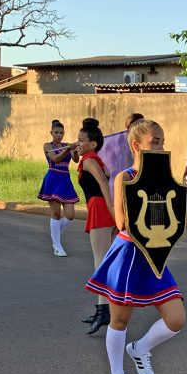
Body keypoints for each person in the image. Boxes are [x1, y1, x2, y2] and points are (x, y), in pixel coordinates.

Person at [85, 118, 186, 374]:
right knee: (119, 319)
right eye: (155, 141)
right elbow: (121, 222)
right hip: (129, 253)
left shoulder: (167, 177)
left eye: (163, 142)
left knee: (176, 319)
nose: (161, 146)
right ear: (136, 145)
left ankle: (140, 349)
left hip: (155, 255)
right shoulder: (125, 178)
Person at [77, 118, 116, 334]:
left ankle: (103, 311)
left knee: (100, 261)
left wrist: (111, 210)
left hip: (100, 208)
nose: (78, 143)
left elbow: (103, 183)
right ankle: (105, 308)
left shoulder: (90, 160)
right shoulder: (96, 159)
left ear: (93, 143)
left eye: (82, 140)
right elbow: (107, 175)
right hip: (100, 208)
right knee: (105, 260)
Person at [38, 119, 79, 257]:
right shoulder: (47, 146)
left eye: (61, 133)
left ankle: (55, 235)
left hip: (65, 180)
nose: (59, 135)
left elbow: (76, 159)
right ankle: (57, 245)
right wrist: (67, 149)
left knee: (70, 215)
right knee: (55, 214)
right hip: (53, 179)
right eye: (56, 132)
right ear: (51, 132)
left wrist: (75, 149)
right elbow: (55, 159)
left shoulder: (67, 145)